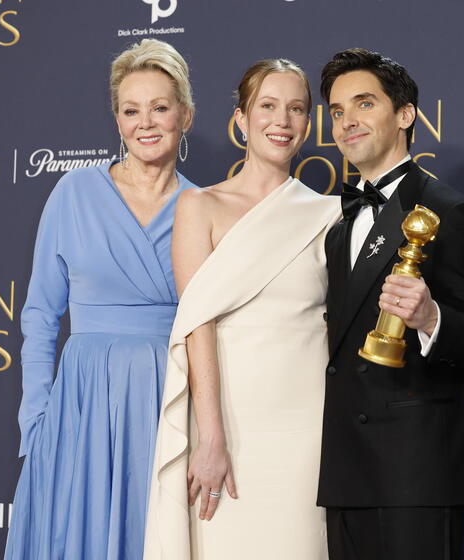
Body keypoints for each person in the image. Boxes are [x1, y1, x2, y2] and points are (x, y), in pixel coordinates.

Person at [4, 39, 197, 560]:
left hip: (169, 398)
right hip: (81, 404)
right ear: (117, 121)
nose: (146, 122)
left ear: (185, 114)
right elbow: (42, 315)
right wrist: (37, 419)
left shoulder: (202, 207)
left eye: (160, 107)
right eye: (131, 110)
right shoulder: (73, 193)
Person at [143, 59, 340, 560]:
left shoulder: (330, 214)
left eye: (296, 109)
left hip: (306, 427)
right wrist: (210, 435)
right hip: (228, 420)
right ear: (241, 120)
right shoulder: (199, 206)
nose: (282, 120)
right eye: (267, 106)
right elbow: (197, 324)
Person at [317, 48, 464, 560]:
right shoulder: (338, 224)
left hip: (416, 475)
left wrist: (431, 319)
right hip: (343, 471)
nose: (347, 122)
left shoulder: (453, 213)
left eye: (364, 104)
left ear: (405, 115)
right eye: (336, 111)